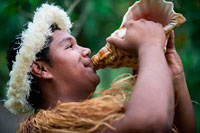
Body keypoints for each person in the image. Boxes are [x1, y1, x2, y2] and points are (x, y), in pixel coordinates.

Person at [5, 3, 196, 133]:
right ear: (41, 69)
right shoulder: (51, 129)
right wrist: (150, 46)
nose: (87, 50)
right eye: (70, 46)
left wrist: (175, 77)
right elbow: (150, 123)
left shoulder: (87, 121)